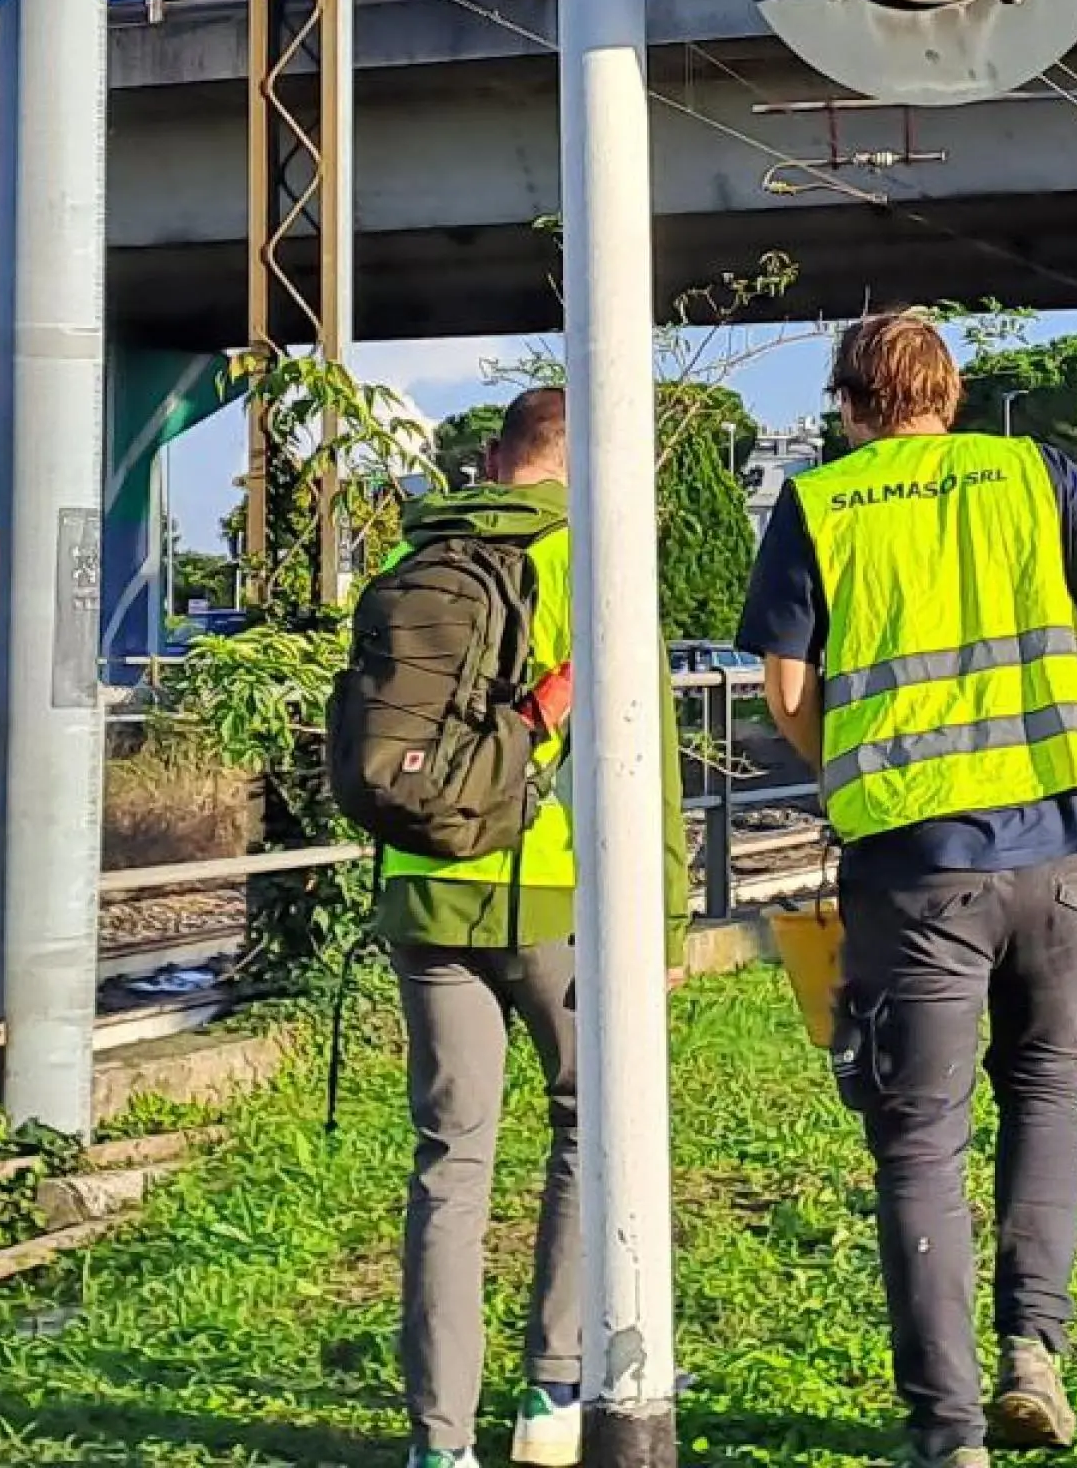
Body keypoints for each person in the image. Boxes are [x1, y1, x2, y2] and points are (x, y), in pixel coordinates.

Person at [740, 313, 1077, 1468]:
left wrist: (857, 767)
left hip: (915, 874)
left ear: (851, 406)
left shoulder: (820, 504)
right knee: (1049, 1093)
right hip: (1062, 848)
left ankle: (949, 1432)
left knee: (919, 1144)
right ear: (949, 397)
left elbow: (786, 690)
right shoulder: (1038, 475)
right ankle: (1033, 1355)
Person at [376, 386, 689, 1468]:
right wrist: (667, 921)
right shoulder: (587, 563)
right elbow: (644, 761)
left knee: (449, 1164)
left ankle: (438, 1444)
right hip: (551, 893)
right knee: (586, 1127)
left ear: (499, 456)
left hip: (422, 887)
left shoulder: (416, 555)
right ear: (584, 464)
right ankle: (553, 1395)